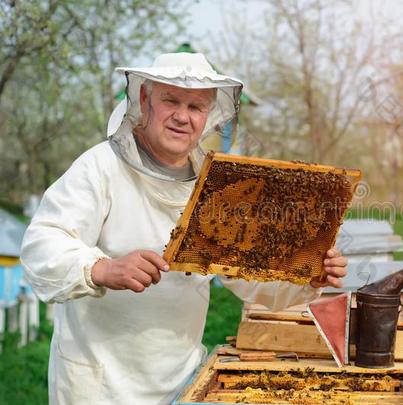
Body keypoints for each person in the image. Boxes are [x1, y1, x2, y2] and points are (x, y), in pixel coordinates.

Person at [20, 53, 348, 404]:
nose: (182, 116)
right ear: (144, 100)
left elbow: (249, 275)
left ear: (208, 115)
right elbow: (41, 246)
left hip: (182, 380)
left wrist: (307, 276)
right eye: (170, 101)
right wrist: (102, 268)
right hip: (99, 385)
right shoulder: (99, 168)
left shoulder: (217, 187)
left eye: (195, 106)